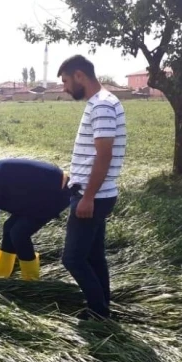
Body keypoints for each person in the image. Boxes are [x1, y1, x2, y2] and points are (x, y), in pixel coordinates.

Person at [57, 55, 126, 320]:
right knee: (94, 256)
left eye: (65, 81)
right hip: (96, 192)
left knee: (72, 259)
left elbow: (104, 155)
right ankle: (101, 307)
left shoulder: (102, 105)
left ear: (79, 76)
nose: (64, 88)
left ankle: (98, 312)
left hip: (93, 196)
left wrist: (87, 197)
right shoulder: (101, 103)